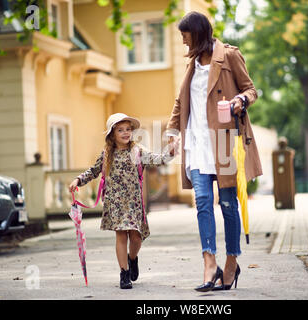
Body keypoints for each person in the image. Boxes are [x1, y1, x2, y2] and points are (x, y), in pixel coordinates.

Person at [166, 11, 263, 292]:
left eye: (185, 37)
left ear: (197, 34)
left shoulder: (229, 56)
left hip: (223, 142)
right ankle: (209, 263)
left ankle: (231, 262)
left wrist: (240, 100)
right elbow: (180, 101)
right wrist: (172, 133)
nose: (184, 43)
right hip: (196, 143)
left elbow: (251, 89)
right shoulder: (192, 64)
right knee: (203, 203)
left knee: (229, 205)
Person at [69, 113, 179, 289]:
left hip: (134, 203)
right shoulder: (107, 154)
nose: (126, 133)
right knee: (121, 235)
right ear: (112, 134)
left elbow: (157, 159)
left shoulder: (137, 151)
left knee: (136, 237)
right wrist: (78, 180)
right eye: (120, 130)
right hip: (115, 203)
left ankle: (132, 258)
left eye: (128, 129)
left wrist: (170, 151)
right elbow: (93, 171)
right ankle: (124, 273)